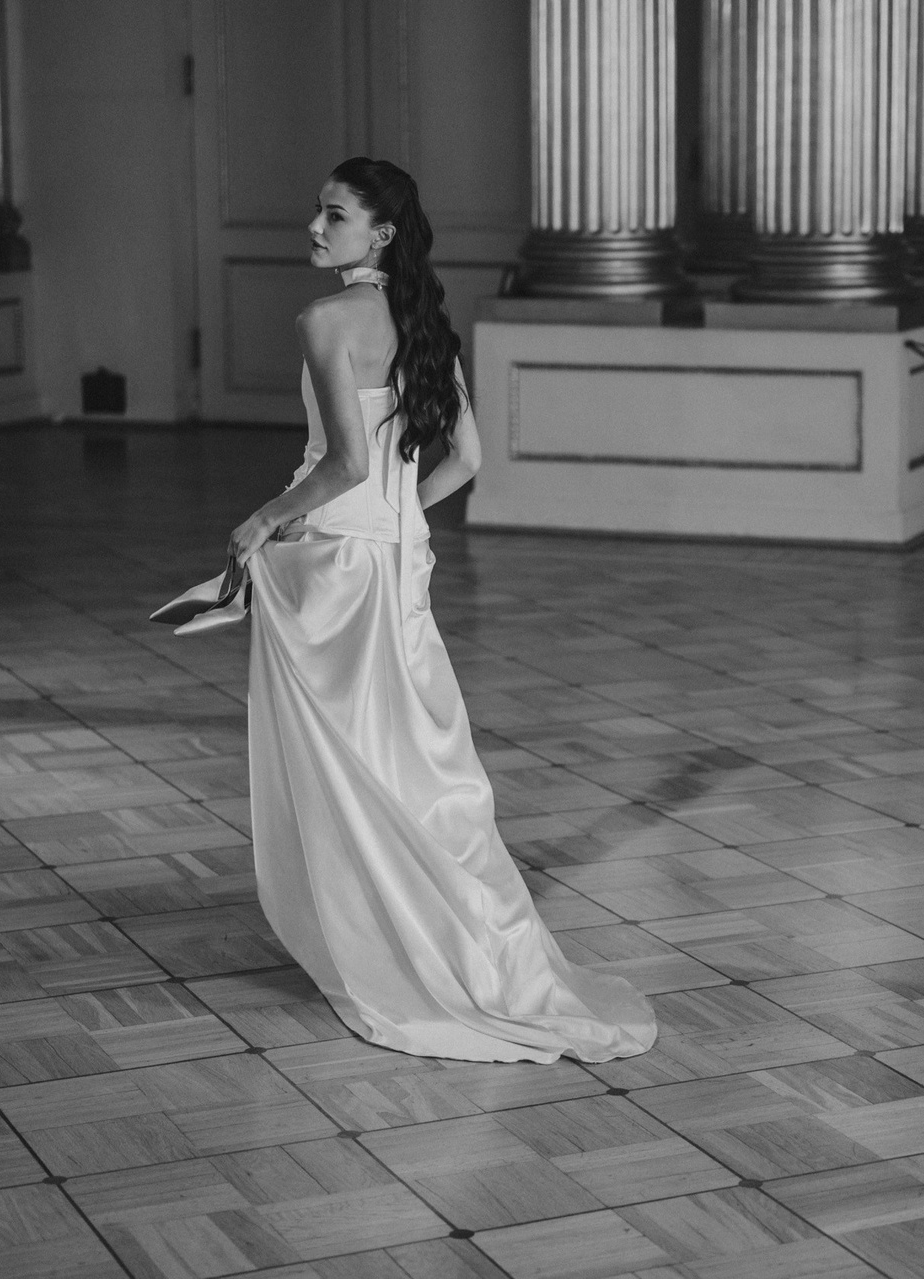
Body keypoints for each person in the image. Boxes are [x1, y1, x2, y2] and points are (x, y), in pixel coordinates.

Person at [220, 157, 656, 1064]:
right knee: (407, 759)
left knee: (345, 761)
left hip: (335, 570)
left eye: (334, 214)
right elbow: (466, 460)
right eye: (317, 210)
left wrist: (261, 520)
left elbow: (344, 462)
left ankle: (378, 937)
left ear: (379, 233)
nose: (314, 226)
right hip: (392, 562)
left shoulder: (324, 320)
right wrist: (397, 520)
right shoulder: (421, 322)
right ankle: (449, 938)